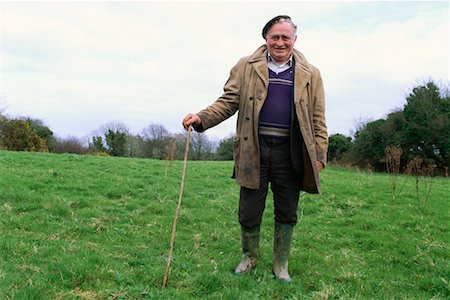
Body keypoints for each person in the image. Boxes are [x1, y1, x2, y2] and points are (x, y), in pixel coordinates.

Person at [182, 15, 328, 283]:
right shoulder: (246, 66)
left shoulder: (312, 74)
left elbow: (318, 119)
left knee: (287, 211)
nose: (280, 42)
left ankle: (281, 264)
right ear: (265, 39)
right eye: (275, 37)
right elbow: (227, 101)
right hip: (254, 151)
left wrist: (319, 155)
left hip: (291, 153)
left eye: (286, 37)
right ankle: (248, 258)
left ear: (295, 39)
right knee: (249, 210)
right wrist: (202, 118)